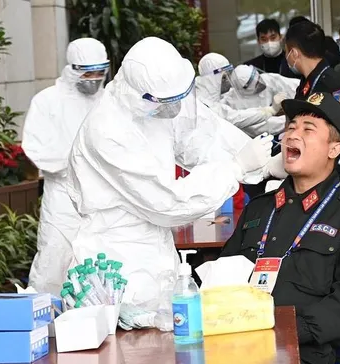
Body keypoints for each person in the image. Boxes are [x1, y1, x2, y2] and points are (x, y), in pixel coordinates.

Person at [66, 37, 274, 322]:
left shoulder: (158, 99)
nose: (174, 109)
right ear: (142, 95)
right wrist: (235, 168)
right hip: (118, 256)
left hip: (156, 247)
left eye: (179, 97)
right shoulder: (108, 130)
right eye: (166, 102)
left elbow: (202, 135)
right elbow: (166, 203)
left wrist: (263, 165)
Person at [220, 91, 340, 364]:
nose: (293, 136)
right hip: (237, 343)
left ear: (334, 149)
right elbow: (223, 274)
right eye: (291, 128)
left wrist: (290, 329)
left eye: (308, 130)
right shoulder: (259, 209)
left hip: (303, 351)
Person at [23, 38, 109, 296]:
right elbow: (35, 147)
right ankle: (45, 322)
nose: (94, 79)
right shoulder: (47, 101)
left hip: (103, 196)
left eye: (99, 72)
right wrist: (76, 161)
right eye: (88, 72)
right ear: (72, 69)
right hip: (62, 196)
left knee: (104, 262)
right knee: (55, 259)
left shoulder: (108, 101)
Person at [284, 20, 340, 184]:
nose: (286, 58)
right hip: (313, 168)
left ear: (295, 53)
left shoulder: (334, 86)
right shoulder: (307, 83)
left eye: (287, 52)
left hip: (334, 175)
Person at [196, 53, 285, 137]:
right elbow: (236, 118)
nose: (228, 80)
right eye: (224, 77)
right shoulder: (204, 102)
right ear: (215, 78)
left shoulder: (210, 98)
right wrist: (271, 110)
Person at [222, 64, 298, 110]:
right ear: (244, 90)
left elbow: (295, 86)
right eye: (256, 84)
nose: (262, 84)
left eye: (259, 78)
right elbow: (261, 127)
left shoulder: (269, 79)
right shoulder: (234, 103)